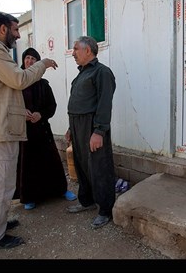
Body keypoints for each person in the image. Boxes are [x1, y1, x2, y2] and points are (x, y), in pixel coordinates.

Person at [0, 11, 58, 249]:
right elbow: (19, 80)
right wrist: (43, 64)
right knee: (0, 184)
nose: (18, 35)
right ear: (2, 30)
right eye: (16, 30)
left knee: (1, 183)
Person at [13, 48, 77, 210]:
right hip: (24, 131)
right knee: (28, 164)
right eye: (27, 58)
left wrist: (41, 114)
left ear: (38, 63)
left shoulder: (43, 84)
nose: (30, 61)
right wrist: (22, 113)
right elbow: (10, 106)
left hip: (42, 129)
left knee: (51, 160)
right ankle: (29, 197)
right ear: (23, 60)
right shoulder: (16, 83)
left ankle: (60, 191)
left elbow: (52, 106)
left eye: (33, 59)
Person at [65, 36, 116, 229]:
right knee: (81, 165)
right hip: (77, 126)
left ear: (88, 50)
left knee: (99, 167)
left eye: (76, 49)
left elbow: (105, 104)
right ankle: (86, 201)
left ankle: (105, 210)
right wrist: (71, 128)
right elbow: (77, 103)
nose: (73, 53)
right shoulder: (81, 74)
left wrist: (99, 131)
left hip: (92, 126)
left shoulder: (102, 72)